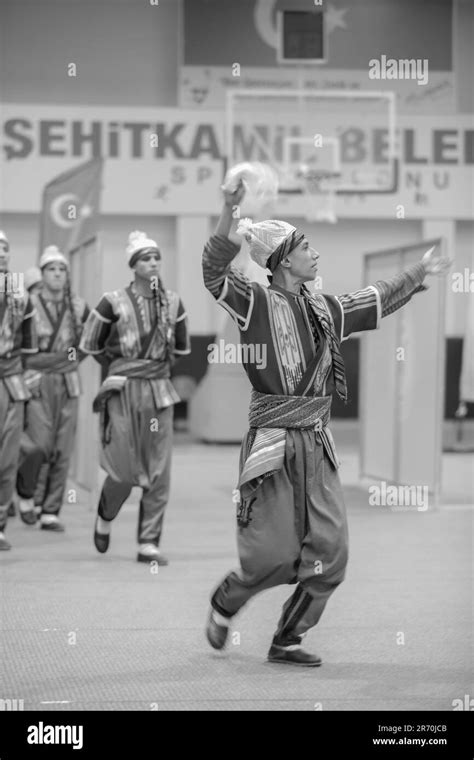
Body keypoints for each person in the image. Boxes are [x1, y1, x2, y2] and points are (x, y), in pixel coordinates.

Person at [202, 181, 451, 666]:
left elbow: (376, 297)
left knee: (330, 556)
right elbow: (213, 271)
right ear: (283, 260)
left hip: (317, 445)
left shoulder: (325, 310)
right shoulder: (253, 303)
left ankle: (287, 638)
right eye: (306, 247)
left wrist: (419, 270)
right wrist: (229, 209)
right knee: (270, 558)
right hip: (272, 444)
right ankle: (225, 600)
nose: (315, 254)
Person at [79, 231, 190, 564]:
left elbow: (181, 349)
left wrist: (152, 368)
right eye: (145, 258)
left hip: (158, 391)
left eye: (156, 257)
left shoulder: (173, 302)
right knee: (122, 470)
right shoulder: (112, 301)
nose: (153, 263)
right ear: (133, 265)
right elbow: (90, 343)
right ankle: (105, 514)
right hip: (122, 389)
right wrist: (120, 367)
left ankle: (148, 542)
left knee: (159, 468)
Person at [18, 246, 90, 531]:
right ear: (42, 273)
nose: (58, 274)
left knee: (62, 447)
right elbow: (20, 348)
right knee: (39, 445)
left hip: (68, 382)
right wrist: (53, 360)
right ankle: (28, 493)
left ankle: (51, 510)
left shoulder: (78, 305)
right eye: (52, 269)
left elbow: (89, 343)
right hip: (36, 381)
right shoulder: (27, 303)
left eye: (62, 270)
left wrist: (65, 360)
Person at [0, 230, 38, 550]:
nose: (1, 254)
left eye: (5, 249)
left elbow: (28, 344)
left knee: (8, 455)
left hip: (11, 379)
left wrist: (28, 375)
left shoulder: (19, 292)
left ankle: (0, 524)